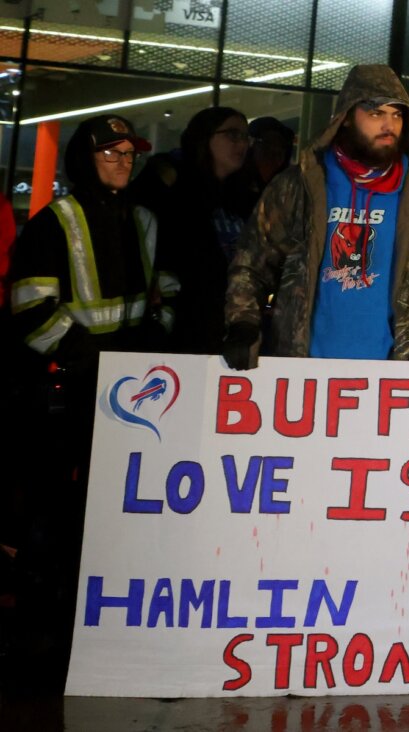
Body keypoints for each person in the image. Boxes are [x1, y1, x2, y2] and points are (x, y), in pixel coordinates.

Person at [8, 114, 177, 684]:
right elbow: (30, 308)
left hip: (130, 396)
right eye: (112, 152)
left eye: (131, 153)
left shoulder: (145, 220)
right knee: (51, 514)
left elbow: (167, 290)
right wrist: (85, 355)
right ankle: (34, 638)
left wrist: (157, 339)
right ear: (86, 158)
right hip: (68, 391)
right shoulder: (54, 222)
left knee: (107, 516)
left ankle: (87, 630)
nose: (124, 161)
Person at [222, 65, 409, 378]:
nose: (389, 124)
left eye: (397, 115)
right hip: (302, 369)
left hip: (395, 374)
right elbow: (252, 261)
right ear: (347, 116)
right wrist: (243, 323)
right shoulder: (301, 185)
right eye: (376, 113)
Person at [133, 106, 257, 354]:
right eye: (232, 135)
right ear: (204, 137)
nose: (241, 144)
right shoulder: (174, 189)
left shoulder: (244, 197)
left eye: (245, 136)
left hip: (228, 328)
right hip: (182, 328)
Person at [246, 116, 295, 195]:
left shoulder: (286, 193)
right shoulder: (231, 187)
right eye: (268, 145)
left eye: (281, 147)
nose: (275, 149)